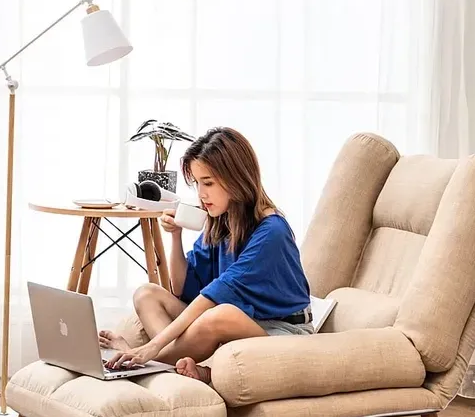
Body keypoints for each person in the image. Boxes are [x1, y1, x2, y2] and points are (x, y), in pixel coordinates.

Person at [99, 126, 314, 383]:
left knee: (221, 314)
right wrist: (176, 236)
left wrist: (150, 347)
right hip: (242, 322)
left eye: (208, 183)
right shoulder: (221, 221)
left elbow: (212, 298)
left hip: (283, 331)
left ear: (236, 178)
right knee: (147, 294)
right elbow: (181, 288)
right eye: (197, 183)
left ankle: (148, 362)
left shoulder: (272, 232)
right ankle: (180, 366)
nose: (201, 194)